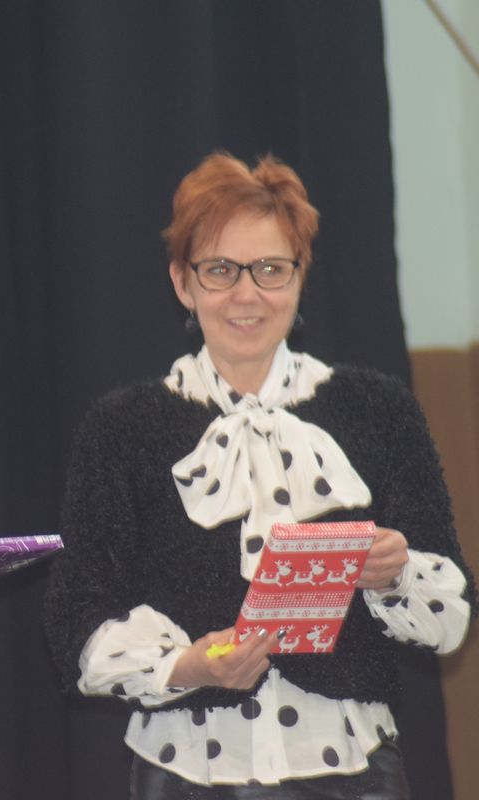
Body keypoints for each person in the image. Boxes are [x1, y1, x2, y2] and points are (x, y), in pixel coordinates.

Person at [43, 152, 476, 798]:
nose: (247, 294)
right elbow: (77, 617)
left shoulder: (378, 409)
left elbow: (451, 616)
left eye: (271, 269)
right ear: (183, 282)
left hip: (354, 774)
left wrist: (395, 573)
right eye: (220, 270)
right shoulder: (120, 428)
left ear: (300, 276)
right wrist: (185, 666)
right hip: (186, 774)